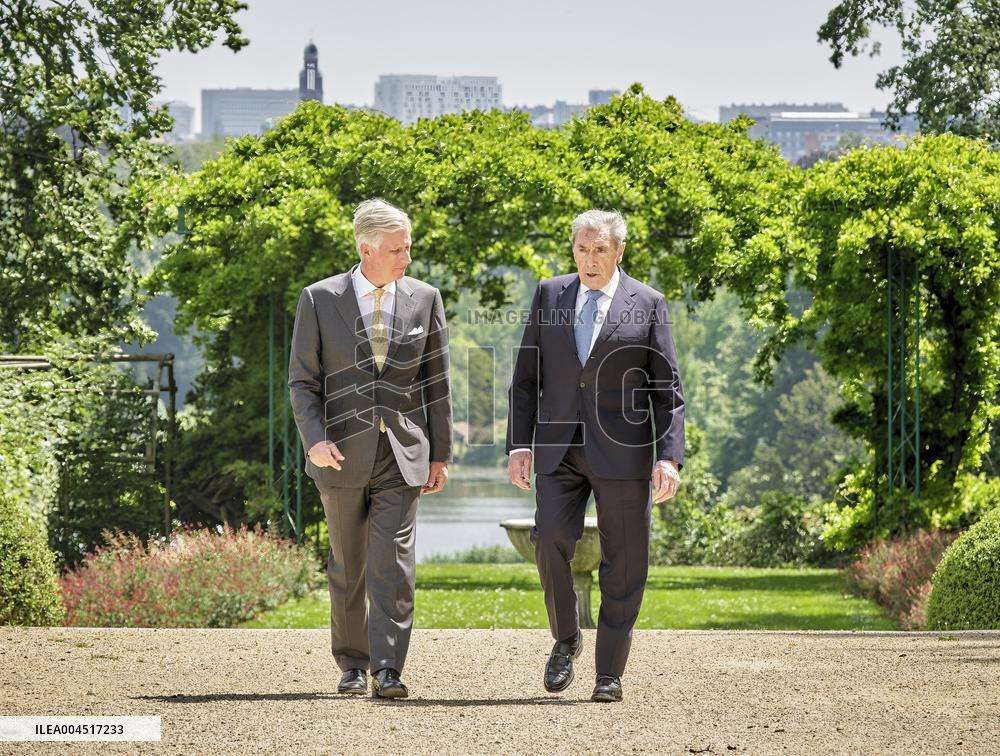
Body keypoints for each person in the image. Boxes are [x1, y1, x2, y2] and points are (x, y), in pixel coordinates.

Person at [506, 209, 684, 703]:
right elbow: (525, 380)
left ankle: (609, 672)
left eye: (600, 249)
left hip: (624, 452)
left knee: (625, 563)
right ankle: (566, 638)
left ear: (619, 251)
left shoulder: (648, 303)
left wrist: (668, 457)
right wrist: (519, 444)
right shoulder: (549, 294)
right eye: (582, 249)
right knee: (549, 539)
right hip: (558, 446)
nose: (590, 259)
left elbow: (667, 390)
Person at [288, 198, 452, 699]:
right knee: (348, 562)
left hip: (403, 452)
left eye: (408, 247)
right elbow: (302, 381)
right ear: (367, 249)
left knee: (394, 563)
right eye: (398, 249)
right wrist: (314, 440)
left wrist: (440, 454)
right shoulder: (319, 299)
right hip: (338, 452)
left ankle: (387, 669)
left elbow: (437, 383)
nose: (407, 257)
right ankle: (352, 663)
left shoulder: (425, 298)